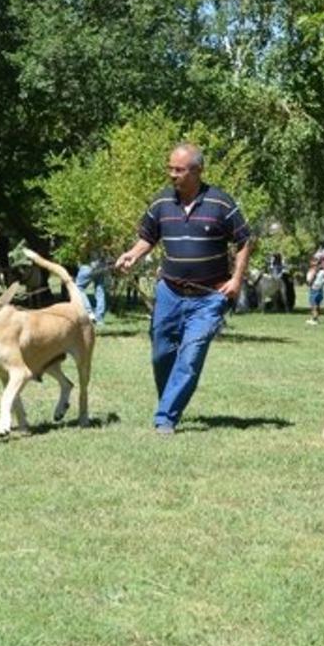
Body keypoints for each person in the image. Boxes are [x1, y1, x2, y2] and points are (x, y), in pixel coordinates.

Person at [115, 143, 253, 435]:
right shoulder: (161, 202)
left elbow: (244, 240)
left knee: (190, 356)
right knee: (160, 353)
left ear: (198, 171)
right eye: (170, 168)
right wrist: (132, 254)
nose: (172, 175)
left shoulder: (221, 203)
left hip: (208, 297)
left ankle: (166, 417)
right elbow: (148, 237)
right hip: (170, 292)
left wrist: (237, 280)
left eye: (179, 170)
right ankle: (170, 398)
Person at [305, 246, 324, 324]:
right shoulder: (323, 271)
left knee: (313, 304)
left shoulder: (314, 270)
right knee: (317, 304)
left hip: (314, 289)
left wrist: (310, 280)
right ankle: (316, 318)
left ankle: (314, 319)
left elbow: (309, 280)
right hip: (320, 289)